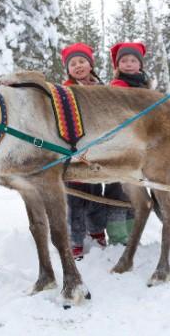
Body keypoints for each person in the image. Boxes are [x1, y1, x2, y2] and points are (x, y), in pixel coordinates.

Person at [61, 42, 108, 260]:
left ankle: (97, 231)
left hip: (97, 149)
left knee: (95, 194)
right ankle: (75, 240)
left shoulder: (101, 89)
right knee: (74, 199)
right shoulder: (64, 91)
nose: (78, 66)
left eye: (82, 61)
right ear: (68, 69)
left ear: (90, 64)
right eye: (73, 63)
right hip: (73, 149)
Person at [104, 42, 151, 245]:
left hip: (138, 145)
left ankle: (132, 233)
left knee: (135, 190)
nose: (129, 64)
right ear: (118, 65)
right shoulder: (118, 86)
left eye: (133, 60)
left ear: (139, 64)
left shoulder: (144, 85)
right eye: (124, 60)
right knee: (117, 190)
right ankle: (117, 235)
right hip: (119, 145)